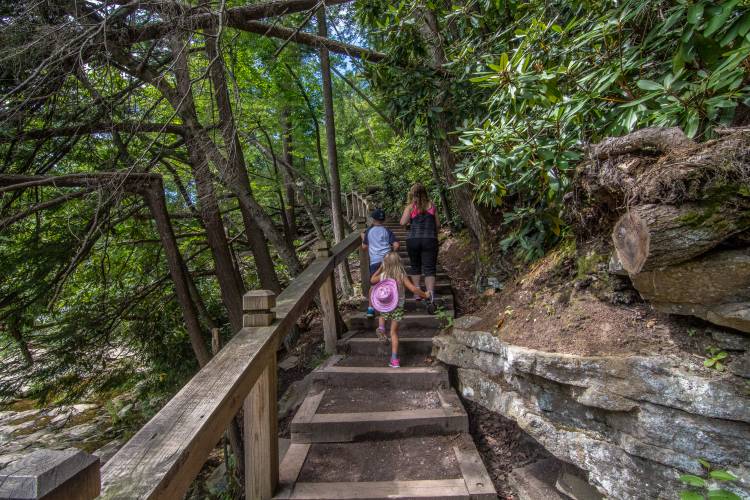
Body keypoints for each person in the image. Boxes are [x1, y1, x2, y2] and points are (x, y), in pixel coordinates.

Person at [370, 252, 430, 368]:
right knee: (393, 333)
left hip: (386, 304)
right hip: (397, 306)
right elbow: (413, 288)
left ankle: (381, 328)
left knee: (382, 312)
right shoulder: (401, 276)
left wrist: (380, 268)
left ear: (385, 264)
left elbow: (372, 280)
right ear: (399, 263)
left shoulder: (383, 275)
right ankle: (394, 360)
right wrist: (425, 295)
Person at [399, 182, 440, 303]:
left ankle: (417, 292)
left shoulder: (411, 207)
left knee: (415, 266)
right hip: (430, 240)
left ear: (412, 194)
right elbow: (438, 224)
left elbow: (402, 222)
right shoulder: (432, 205)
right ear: (425, 193)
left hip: (413, 239)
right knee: (429, 268)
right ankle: (430, 294)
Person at [361, 208, 400, 319]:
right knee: (389, 282)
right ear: (384, 220)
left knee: (374, 284)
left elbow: (364, 247)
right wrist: (393, 252)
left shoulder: (369, 231)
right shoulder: (387, 230)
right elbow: (396, 245)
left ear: (373, 219)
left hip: (374, 261)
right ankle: (390, 305)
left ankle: (370, 309)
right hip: (387, 261)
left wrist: (362, 237)